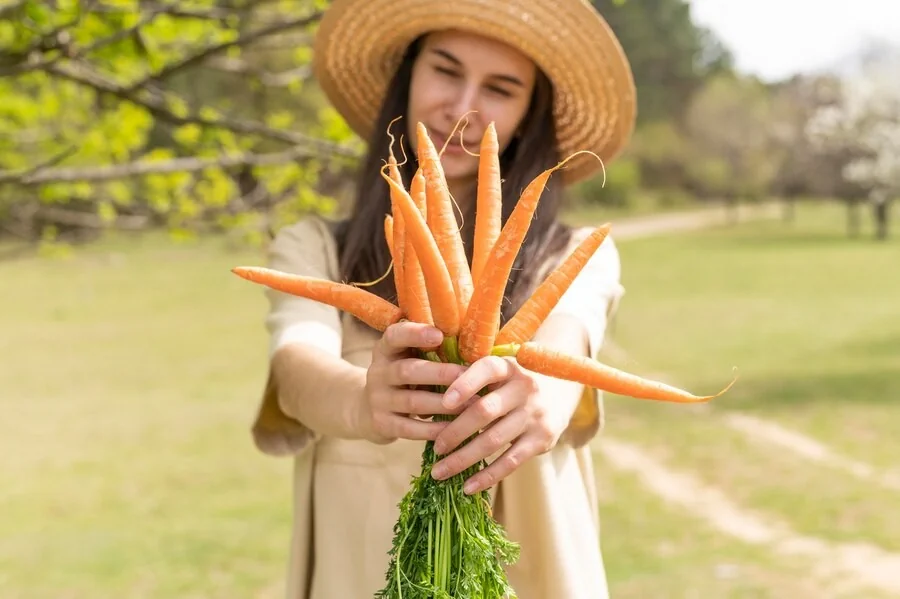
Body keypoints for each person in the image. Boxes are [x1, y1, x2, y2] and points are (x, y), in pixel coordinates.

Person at [249, 0, 636, 597]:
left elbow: (565, 341)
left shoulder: (575, 253)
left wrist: (540, 398)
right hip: (363, 563)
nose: (462, 108)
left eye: (501, 89)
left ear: (530, 114)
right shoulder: (316, 248)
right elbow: (297, 364)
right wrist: (362, 399)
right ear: (407, 76)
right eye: (446, 71)